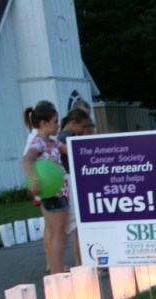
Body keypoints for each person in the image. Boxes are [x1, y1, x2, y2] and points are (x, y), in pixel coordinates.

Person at [22, 101, 70, 276]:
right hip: (53, 194)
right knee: (58, 234)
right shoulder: (39, 143)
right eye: (55, 122)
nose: (58, 125)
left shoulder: (53, 142)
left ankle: (57, 272)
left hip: (61, 193)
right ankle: (57, 274)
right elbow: (27, 160)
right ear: (43, 123)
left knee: (59, 234)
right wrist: (34, 179)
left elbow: (71, 149)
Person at [56, 108, 91, 268]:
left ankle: (81, 261)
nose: (84, 130)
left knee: (77, 224)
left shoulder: (68, 137)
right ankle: (80, 262)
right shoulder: (64, 139)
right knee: (76, 224)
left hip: (71, 180)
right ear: (73, 123)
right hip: (69, 181)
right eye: (82, 126)